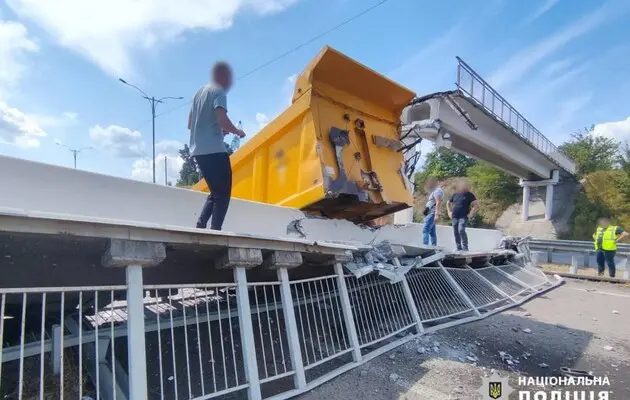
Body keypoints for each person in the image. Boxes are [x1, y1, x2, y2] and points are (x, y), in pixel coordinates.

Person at [188, 61, 246, 231]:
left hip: (197, 151)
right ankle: (216, 231)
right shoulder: (218, 91)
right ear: (221, 76)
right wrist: (236, 131)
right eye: (229, 78)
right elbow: (222, 119)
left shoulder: (198, 94)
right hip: (214, 150)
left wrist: (219, 130)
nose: (230, 83)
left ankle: (200, 225)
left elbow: (191, 124)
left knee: (215, 192)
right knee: (223, 195)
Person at [447, 180, 478, 251]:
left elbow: (475, 205)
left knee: (461, 230)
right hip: (454, 216)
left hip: (463, 216)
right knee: (456, 232)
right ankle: (458, 248)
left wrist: (471, 214)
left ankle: (465, 248)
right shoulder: (455, 194)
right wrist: (449, 212)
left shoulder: (470, 195)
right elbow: (448, 202)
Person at [422, 177, 443, 246]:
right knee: (432, 232)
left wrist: (436, 214)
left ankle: (425, 247)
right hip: (430, 213)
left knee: (425, 230)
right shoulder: (434, 191)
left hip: (432, 213)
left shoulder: (438, 191)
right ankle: (434, 247)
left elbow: (438, 202)